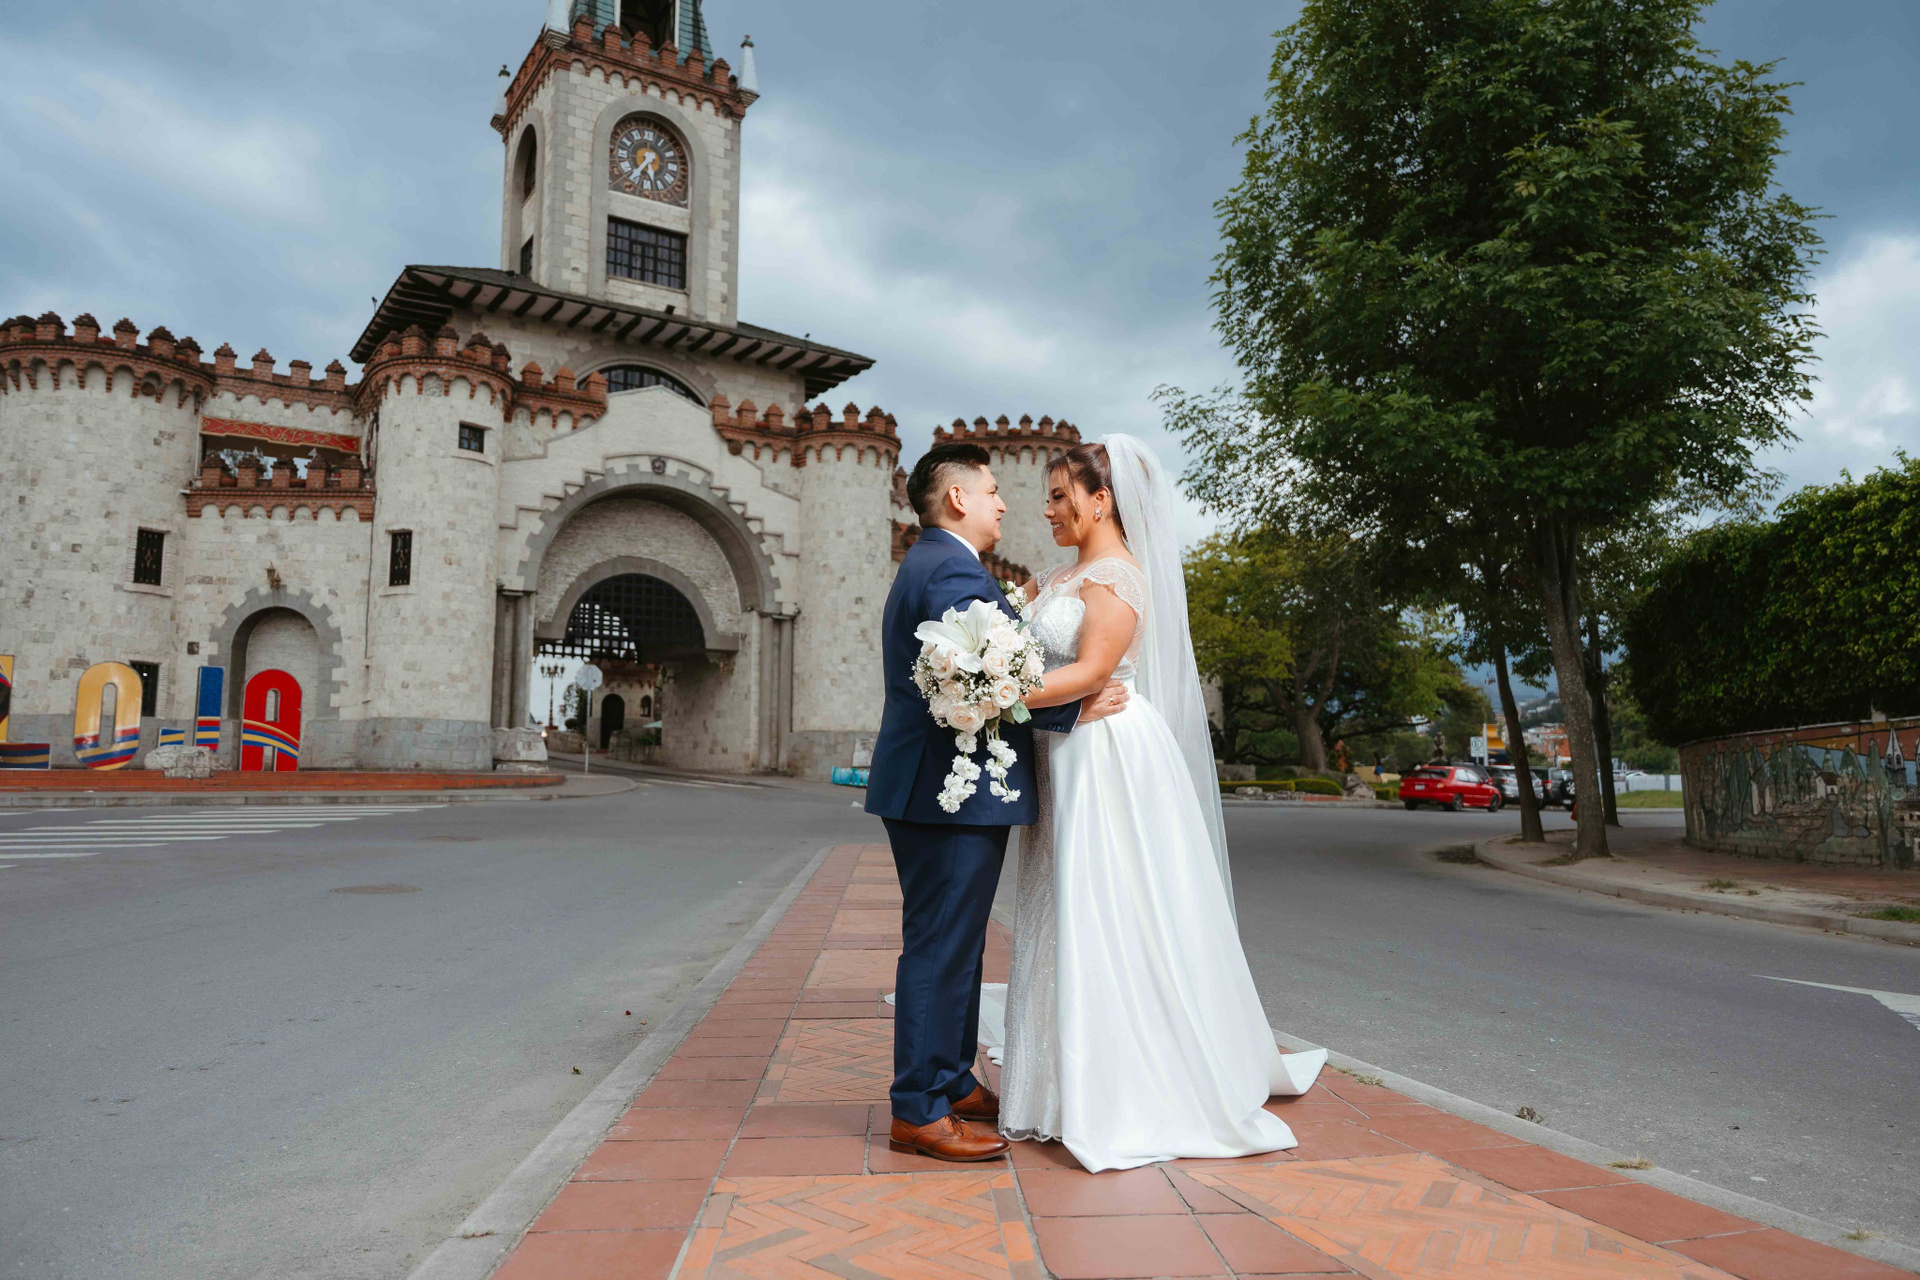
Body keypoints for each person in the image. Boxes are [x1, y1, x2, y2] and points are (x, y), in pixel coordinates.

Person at [999, 436, 1326, 1172]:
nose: (1047, 510)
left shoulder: (1117, 577)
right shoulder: (1055, 577)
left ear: (1102, 500)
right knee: (1060, 902)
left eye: (1059, 496)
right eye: (1047, 497)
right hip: (1063, 747)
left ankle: (1116, 1085)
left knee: (1106, 904)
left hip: (1103, 752)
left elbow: (1092, 671)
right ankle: (1054, 1080)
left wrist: (994, 695)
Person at [865, 442, 1130, 1163]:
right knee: (940, 945)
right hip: (946, 789)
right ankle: (919, 1108)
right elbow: (971, 681)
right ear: (958, 499)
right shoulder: (950, 569)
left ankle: (951, 1080)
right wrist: (1070, 709)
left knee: (959, 942)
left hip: (940, 787)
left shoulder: (938, 563)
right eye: (991, 491)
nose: (1005, 503)